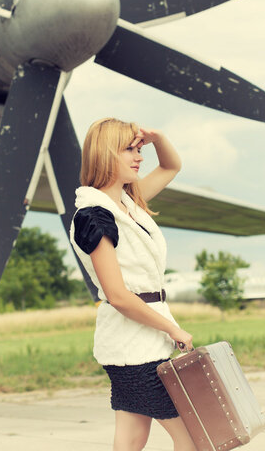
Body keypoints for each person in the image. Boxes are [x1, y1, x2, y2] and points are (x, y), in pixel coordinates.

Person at [70, 117, 197, 451]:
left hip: (140, 341)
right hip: (132, 346)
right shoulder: (94, 215)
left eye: (139, 149)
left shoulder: (128, 203)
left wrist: (158, 138)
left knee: (130, 439)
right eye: (129, 149)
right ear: (104, 153)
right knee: (194, 439)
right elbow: (118, 296)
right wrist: (172, 329)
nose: (139, 157)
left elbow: (171, 166)